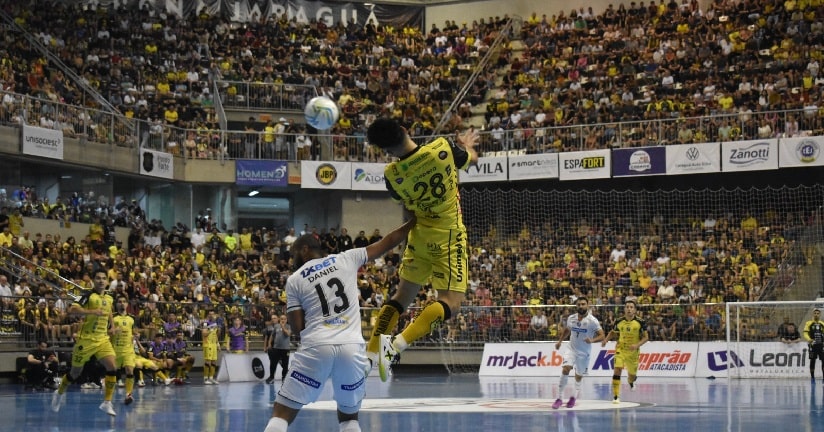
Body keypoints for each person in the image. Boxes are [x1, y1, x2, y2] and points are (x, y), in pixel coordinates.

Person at [263, 217, 415, 432]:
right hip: (351, 348)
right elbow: (388, 242)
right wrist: (412, 223)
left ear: (305, 249)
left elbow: (297, 327)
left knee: (282, 412)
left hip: (317, 345)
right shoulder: (346, 258)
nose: (291, 258)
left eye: (294, 252)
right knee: (349, 418)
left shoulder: (295, 279)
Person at [364, 117, 479, 381]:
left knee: (400, 298)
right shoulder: (442, 148)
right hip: (448, 236)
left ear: (385, 150)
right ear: (405, 128)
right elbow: (471, 160)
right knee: (451, 302)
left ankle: (371, 354)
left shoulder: (392, 175)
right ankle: (396, 347)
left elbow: (400, 197)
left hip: (418, 234)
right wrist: (467, 146)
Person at [52, 271, 119, 416]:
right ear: (94, 281)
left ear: (107, 281)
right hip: (86, 340)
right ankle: (59, 393)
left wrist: (112, 326)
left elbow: (109, 312)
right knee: (75, 373)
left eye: (104, 278)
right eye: (98, 278)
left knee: (112, 367)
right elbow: (73, 309)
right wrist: (92, 311)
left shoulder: (109, 297)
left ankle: (107, 402)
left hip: (102, 339)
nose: (101, 281)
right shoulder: (87, 294)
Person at [552, 297, 605, 409]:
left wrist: (592, 340)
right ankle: (559, 398)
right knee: (565, 369)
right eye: (579, 304)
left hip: (584, 353)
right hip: (571, 348)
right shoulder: (572, 318)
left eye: (583, 304)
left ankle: (573, 397)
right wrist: (560, 341)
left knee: (578, 376)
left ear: (587, 305)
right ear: (576, 306)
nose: (581, 306)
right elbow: (567, 330)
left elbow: (602, 335)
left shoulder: (592, 321)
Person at [601, 300, 648, 404]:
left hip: (633, 352)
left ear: (635, 310)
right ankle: (616, 396)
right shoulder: (619, 321)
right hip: (620, 349)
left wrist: (636, 345)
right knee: (617, 369)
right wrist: (605, 340)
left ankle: (630, 381)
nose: (629, 309)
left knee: (632, 376)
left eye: (631, 307)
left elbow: (646, 337)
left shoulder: (640, 322)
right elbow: (613, 332)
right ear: (624, 309)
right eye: (627, 307)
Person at [110, 296, 137, 405]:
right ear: (116, 304)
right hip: (115, 350)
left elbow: (133, 331)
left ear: (127, 304)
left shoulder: (132, 318)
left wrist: (136, 335)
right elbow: (105, 333)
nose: (122, 303)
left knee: (129, 371)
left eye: (124, 302)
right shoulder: (113, 318)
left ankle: (128, 394)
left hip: (128, 350)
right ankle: (109, 396)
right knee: (112, 373)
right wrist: (113, 331)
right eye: (120, 302)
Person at [264, 313, 291, 384]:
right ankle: (271, 377)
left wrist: (283, 327)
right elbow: (272, 336)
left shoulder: (289, 326)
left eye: (284, 319)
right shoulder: (276, 326)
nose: (283, 320)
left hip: (285, 349)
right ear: (279, 319)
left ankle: (284, 379)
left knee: (285, 365)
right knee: (273, 364)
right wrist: (269, 344)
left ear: (286, 320)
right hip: (276, 348)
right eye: (281, 319)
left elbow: (288, 334)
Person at [803, 308, 824, 382]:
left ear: (820, 314)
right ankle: (812, 377)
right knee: (812, 360)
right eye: (815, 313)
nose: (816, 314)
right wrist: (808, 339)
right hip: (812, 345)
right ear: (813, 314)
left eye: (818, 313)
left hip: (821, 345)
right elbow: (805, 333)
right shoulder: (808, 323)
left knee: (823, 360)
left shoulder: (822, 323)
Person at [201, 319, 221, 384]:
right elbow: (204, 334)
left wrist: (218, 344)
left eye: (213, 314)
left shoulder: (215, 323)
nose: (212, 315)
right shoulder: (205, 323)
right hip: (207, 344)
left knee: (214, 362)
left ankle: (211, 378)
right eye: (210, 314)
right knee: (208, 361)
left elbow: (215, 335)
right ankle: (206, 378)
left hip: (214, 345)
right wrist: (210, 329)